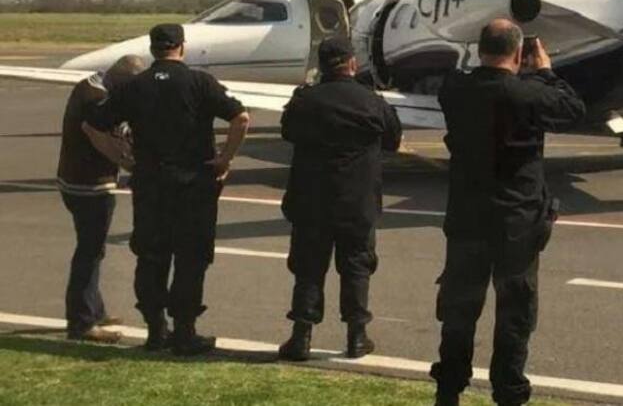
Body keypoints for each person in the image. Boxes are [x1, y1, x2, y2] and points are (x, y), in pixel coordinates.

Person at [431, 20, 586, 406]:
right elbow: (573, 109)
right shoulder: (529, 94)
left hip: (467, 218)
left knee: (459, 309)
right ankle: (508, 391)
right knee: (515, 313)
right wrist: (545, 72)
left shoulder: (455, 89)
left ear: (480, 48)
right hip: (516, 220)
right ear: (518, 53)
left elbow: (462, 79)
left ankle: (448, 389)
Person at [86, 23, 250, 355]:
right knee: (191, 259)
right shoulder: (200, 82)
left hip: (151, 184)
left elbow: (92, 126)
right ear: (182, 47)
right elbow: (241, 118)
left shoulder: (134, 86)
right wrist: (225, 158)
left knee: (151, 257)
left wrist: (123, 159)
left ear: (152, 49)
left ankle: (155, 329)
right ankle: (185, 331)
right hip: (193, 185)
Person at [277, 36, 403, 362]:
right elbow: (393, 139)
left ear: (321, 65)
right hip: (356, 200)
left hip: (311, 199)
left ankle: (301, 335)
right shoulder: (371, 101)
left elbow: (287, 131)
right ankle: (356, 335)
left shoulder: (305, 100)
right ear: (352, 63)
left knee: (308, 267)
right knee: (357, 266)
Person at [58, 55, 145, 343]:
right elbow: (98, 136)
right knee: (90, 251)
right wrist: (130, 164)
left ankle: (94, 309)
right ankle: (81, 322)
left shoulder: (91, 85)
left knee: (93, 249)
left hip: (74, 178)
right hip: (89, 184)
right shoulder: (98, 98)